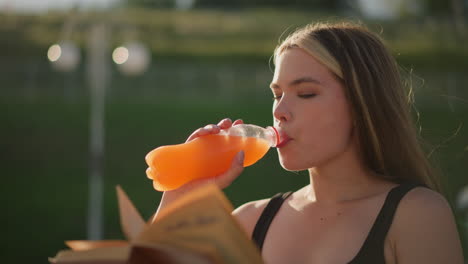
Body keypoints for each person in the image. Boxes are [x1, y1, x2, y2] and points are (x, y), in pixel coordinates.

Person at [153, 21, 464, 263]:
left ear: (362, 104)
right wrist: (179, 200)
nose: (278, 111)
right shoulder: (248, 222)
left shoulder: (416, 215)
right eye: (277, 95)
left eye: (305, 94)